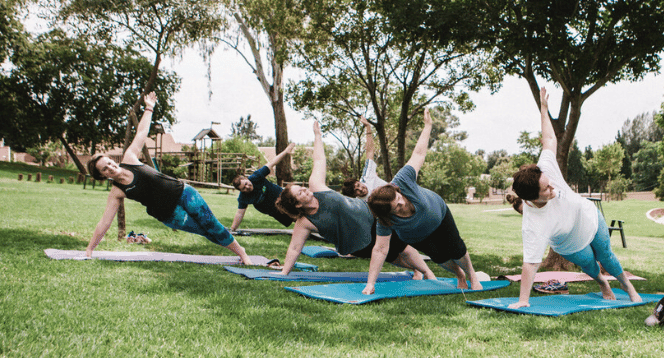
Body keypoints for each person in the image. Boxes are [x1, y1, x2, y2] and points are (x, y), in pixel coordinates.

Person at [507, 87, 642, 309]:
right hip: (569, 242)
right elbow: (530, 264)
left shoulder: (546, 168)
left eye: (549, 182)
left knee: (606, 256)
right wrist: (523, 300)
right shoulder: (533, 223)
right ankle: (602, 284)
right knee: (590, 265)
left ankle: (627, 285)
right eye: (546, 189)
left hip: (589, 217)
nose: (553, 187)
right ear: (532, 199)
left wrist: (543, 108)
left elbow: (549, 138)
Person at [85, 91, 252, 265]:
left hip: (184, 193)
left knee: (211, 225)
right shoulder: (117, 192)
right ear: (102, 175)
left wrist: (149, 107)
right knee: (205, 231)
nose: (111, 167)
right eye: (105, 169)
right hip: (169, 214)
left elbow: (141, 132)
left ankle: (242, 254)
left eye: (110, 163)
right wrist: (90, 248)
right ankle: (239, 252)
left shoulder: (129, 158)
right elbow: (105, 222)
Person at [275, 120, 434, 279]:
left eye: (302, 187)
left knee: (401, 246)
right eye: (300, 192)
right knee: (390, 256)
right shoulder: (304, 222)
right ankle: (416, 270)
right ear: (297, 204)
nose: (305, 189)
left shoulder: (316, 186)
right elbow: (295, 248)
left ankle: (428, 274)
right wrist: (284, 272)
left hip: (370, 218)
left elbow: (319, 160)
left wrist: (317, 136)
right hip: (357, 244)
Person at [363, 109, 483, 295]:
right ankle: (460, 275)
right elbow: (379, 250)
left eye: (399, 198)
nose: (402, 203)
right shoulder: (384, 220)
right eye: (397, 207)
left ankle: (473, 276)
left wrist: (427, 126)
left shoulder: (402, 179)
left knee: (456, 249)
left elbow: (418, 154)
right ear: (388, 214)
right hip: (417, 236)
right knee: (440, 258)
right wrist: (371, 283)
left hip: (439, 215)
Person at [230, 143, 296, 231]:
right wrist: (233, 229)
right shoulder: (243, 198)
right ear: (241, 191)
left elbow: (272, 163)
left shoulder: (256, 176)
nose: (247, 187)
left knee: (299, 213)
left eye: (246, 183)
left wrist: (285, 152)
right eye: (243, 188)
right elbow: (240, 213)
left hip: (283, 197)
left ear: (246, 178)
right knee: (293, 220)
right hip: (274, 211)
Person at [340, 116, 387, 200]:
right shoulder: (360, 204)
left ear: (358, 181)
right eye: (356, 191)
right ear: (354, 195)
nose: (361, 189)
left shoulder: (367, 176)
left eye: (358, 185)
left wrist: (368, 127)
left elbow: (369, 151)